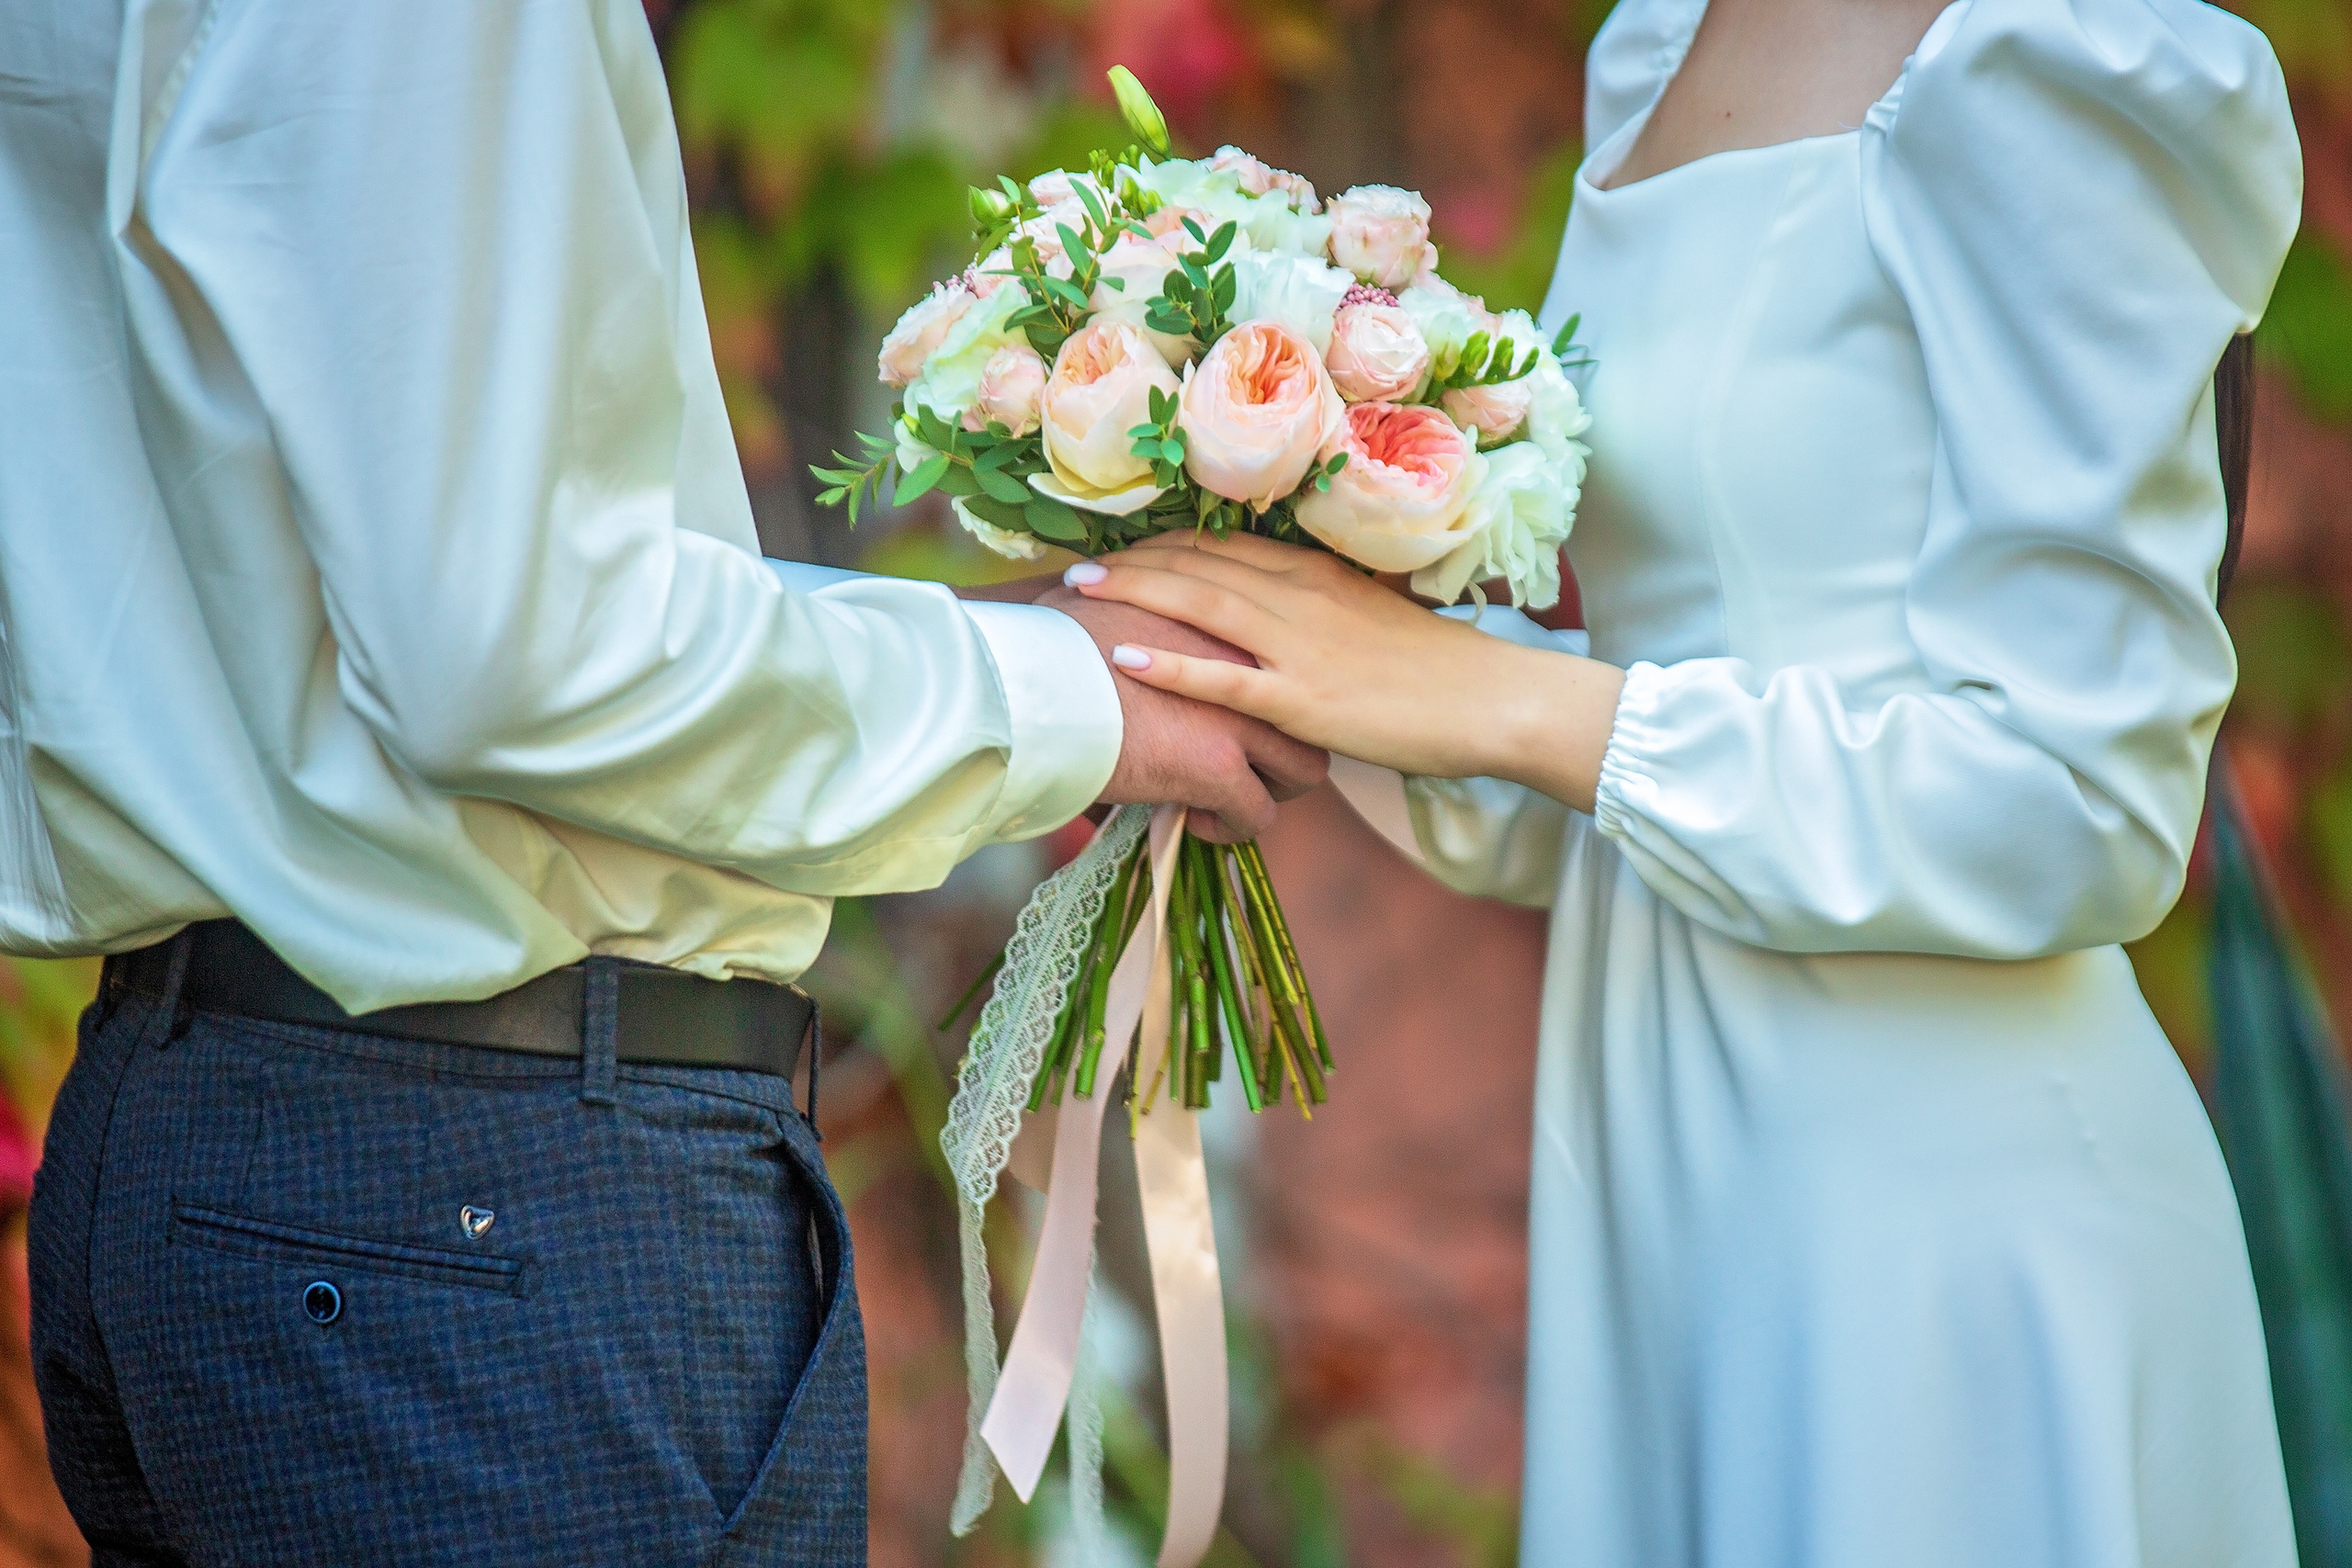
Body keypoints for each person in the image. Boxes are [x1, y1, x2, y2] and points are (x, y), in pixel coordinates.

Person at [0, 1, 1323, 1562]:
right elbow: (510, 648)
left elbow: (343, 591)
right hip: (474, 1220)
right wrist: (1047, 703)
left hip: (200, 1147)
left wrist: (1002, 658)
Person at [1064, 0, 2307, 1560]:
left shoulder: (2062, 54)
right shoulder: (1658, 40)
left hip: (1942, 1249)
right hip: (1671, 1211)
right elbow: (1666, 702)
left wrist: (1493, 700)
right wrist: (1282, 638)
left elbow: (2083, 806)